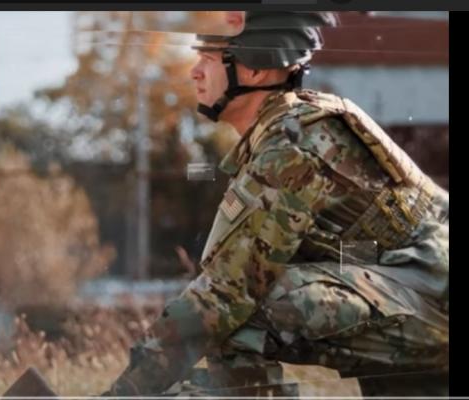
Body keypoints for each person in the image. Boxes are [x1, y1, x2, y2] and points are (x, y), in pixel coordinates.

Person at [102, 11, 449, 397]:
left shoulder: (293, 145)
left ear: (255, 70)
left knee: (241, 311)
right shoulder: (285, 131)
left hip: (432, 300)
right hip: (422, 295)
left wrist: (125, 393)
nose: (195, 72)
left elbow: (226, 294)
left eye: (209, 58)